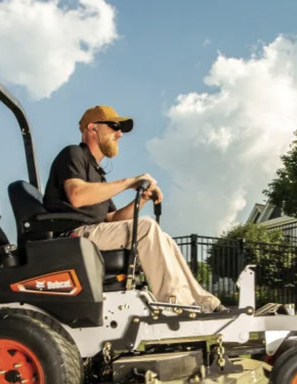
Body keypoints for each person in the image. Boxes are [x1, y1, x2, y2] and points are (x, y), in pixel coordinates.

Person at [43, 104, 223, 313]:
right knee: (147, 226)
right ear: (92, 128)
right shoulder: (73, 154)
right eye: (113, 126)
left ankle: (206, 303)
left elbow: (114, 218)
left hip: (93, 233)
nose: (119, 134)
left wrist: (143, 198)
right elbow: (77, 196)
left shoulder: (98, 175)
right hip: (73, 236)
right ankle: (176, 304)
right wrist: (130, 181)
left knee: (162, 237)